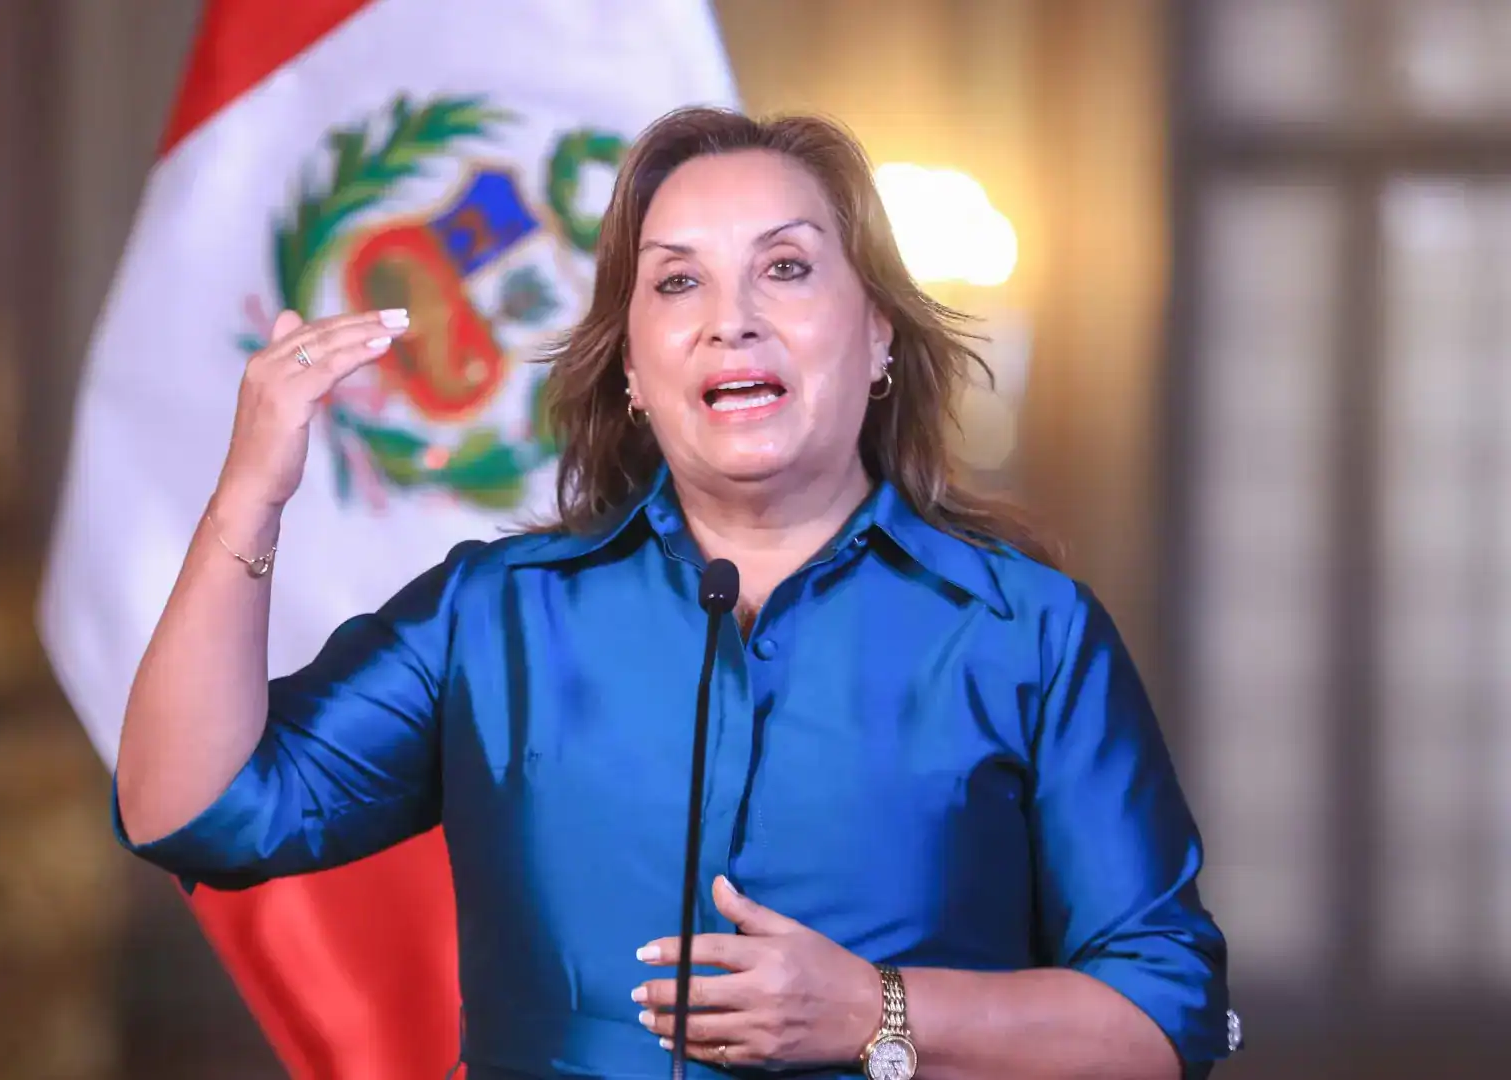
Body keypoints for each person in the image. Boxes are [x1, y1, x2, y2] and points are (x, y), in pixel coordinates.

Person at [112, 107, 1232, 1080]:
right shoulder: (493, 618)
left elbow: (1164, 1013)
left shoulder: (1027, 633)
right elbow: (196, 813)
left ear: (878, 332)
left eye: (785, 268)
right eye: (679, 280)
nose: (730, 317)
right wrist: (251, 493)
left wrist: (875, 1012)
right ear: (634, 371)